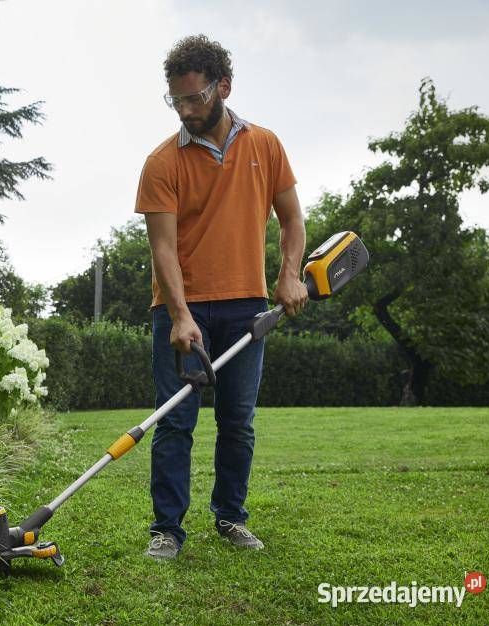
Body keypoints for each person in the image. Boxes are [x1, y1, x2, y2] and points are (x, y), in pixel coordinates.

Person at [134, 35, 308, 560]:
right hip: (182, 309)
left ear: (223, 87)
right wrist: (181, 315)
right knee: (175, 421)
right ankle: (167, 529)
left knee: (237, 421)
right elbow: (162, 247)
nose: (185, 110)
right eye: (177, 101)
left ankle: (230, 518)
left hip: (246, 305)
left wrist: (290, 275)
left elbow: (292, 218)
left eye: (194, 98)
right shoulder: (161, 162)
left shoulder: (266, 146)